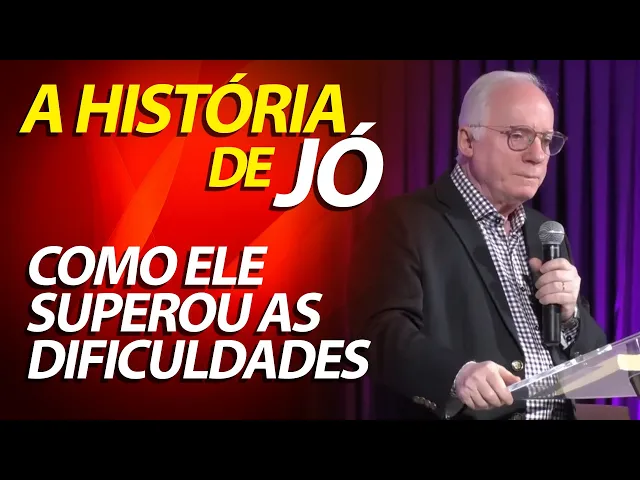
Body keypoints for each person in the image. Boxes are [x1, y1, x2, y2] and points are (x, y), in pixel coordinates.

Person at [348, 70, 608, 420]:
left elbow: (595, 364)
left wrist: (570, 316)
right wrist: (457, 375)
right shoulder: (404, 222)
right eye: (518, 136)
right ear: (467, 141)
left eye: (547, 140)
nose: (538, 155)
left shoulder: (546, 232)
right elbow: (378, 334)